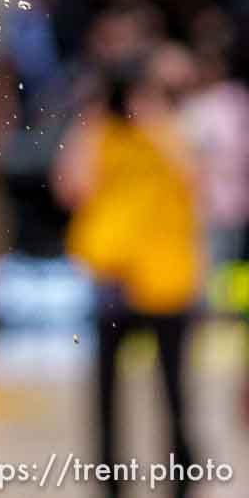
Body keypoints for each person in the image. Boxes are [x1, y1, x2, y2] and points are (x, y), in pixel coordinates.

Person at [55, 53, 206, 497]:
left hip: (166, 280)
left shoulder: (173, 132)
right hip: (115, 281)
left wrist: (157, 122)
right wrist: (91, 125)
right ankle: (110, 480)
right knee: (107, 395)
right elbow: (71, 187)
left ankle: (182, 477)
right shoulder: (100, 134)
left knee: (176, 392)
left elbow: (196, 179)